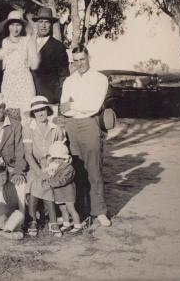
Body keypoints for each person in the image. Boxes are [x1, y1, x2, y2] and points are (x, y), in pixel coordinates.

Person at [60, 45, 111, 227]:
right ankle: (81, 210)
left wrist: (73, 104)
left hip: (90, 123)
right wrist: (75, 105)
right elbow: (62, 107)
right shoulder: (69, 81)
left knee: (94, 169)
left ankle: (99, 211)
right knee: (76, 169)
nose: (79, 63)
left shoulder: (100, 79)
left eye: (82, 59)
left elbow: (94, 106)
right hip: (71, 126)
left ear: (88, 57)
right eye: (76, 60)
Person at [22, 96, 65, 237]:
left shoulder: (56, 128)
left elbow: (61, 150)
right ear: (33, 114)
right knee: (36, 181)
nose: (40, 114)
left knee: (46, 182)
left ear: (47, 110)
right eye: (36, 111)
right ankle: (36, 220)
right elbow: (28, 154)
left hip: (53, 164)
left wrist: (52, 167)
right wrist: (40, 172)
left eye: (43, 110)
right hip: (35, 165)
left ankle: (43, 220)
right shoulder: (29, 129)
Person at [0, 10, 39, 119]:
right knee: (9, 115)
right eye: (12, 25)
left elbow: (34, 65)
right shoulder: (4, 42)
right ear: (8, 26)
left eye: (18, 25)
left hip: (24, 81)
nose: (15, 28)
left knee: (27, 114)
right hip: (9, 82)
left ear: (22, 26)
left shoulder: (27, 41)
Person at [41, 141, 82, 234]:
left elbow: (62, 180)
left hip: (68, 192)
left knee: (71, 208)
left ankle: (77, 225)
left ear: (65, 158)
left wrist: (50, 183)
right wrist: (49, 175)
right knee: (62, 208)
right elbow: (50, 175)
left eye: (60, 158)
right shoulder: (55, 167)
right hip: (59, 192)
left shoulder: (69, 168)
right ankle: (66, 224)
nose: (57, 160)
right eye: (55, 158)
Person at [31, 8, 70, 104]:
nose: (43, 25)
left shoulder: (58, 47)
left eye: (47, 22)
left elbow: (63, 75)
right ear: (36, 24)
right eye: (40, 22)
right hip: (29, 95)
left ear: (51, 25)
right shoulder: (29, 43)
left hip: (50, 97)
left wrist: (64, 100)